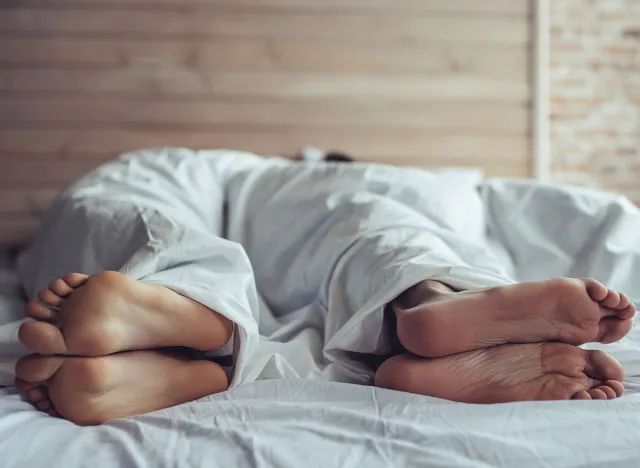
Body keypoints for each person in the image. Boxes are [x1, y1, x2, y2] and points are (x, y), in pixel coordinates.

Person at [13, 149, 636, 426]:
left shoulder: (246, 171)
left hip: (239, 198)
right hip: (341, 208)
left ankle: (194, 322)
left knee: (129, 219)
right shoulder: (375, 182)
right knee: (380, 224)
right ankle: (428, 300)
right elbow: (599, 222)